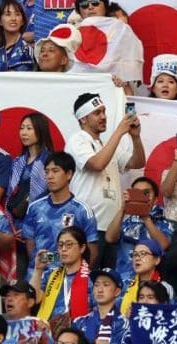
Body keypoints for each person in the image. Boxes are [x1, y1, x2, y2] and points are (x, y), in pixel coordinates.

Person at [65, 92, 144, 268]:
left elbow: (137, 162)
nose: (103, 117)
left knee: (108, 281)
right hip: (87, 227)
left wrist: (135, 137)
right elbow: (97, 163)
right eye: (97, 113)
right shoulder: (78, 140)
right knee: (87, 277)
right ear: (83, 119)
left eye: (104, 111)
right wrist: (119, 132)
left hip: (111, 228)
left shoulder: (106, 145)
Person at [21, 153, 98, 274]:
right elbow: (30, 245)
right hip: (37, 276)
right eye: (47, 172)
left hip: (68, 277)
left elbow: (91, 249)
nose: (49, 176)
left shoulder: (82, 210)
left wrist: (78, 275)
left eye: (55, 171)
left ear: (69, 174)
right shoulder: (34, 207)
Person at [105, 178, 173, 287]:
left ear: (155, 199)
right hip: (123, 282)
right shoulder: (127, 221)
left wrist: (146, 217)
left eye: (146, 193)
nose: (141, 197)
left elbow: (163, 245)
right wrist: (123, 209)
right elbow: (110, 238)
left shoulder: (163, 222)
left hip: (149, 285)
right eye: (137, 193)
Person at [31, 226, 93, 325]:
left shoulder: (92, 279)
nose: (63, 249)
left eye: (69, 245)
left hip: (76, 332)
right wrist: (38, 270)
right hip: (48, 331)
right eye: (60, 245)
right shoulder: (50, 275)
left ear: (82, 248)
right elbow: (33, 299)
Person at [71, 268, 128, 344]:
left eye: (106, 285)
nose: (100, 290)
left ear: (117, 291)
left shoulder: (125, 325)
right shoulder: (79, 323)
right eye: (96, 285)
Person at [1, 280, 54, 344]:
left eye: (16, 295)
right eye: (7, 296)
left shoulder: (38, 324)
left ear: (30, 302)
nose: (9, 299)